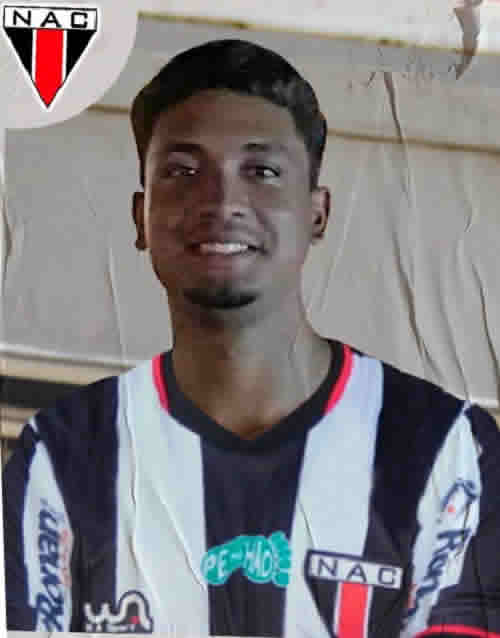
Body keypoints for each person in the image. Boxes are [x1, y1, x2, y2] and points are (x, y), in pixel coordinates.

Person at [3, 39, 500, 638]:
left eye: (261, 172)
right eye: (183, 172)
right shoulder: (63, 455)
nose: (222, 202)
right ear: (141, 217)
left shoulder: (447, 449)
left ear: (317, 213)